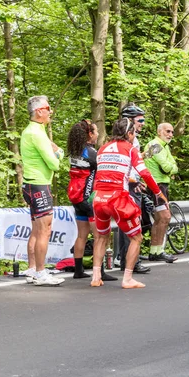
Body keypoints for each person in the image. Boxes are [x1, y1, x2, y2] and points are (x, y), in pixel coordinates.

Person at [91, 118, 167, 288]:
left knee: (101, 237)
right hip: (118, 199)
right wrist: (158, 193)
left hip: (98, 198)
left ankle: (96, 277)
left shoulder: (102, 148)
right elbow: (145, 173)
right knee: (136, 237)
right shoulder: (130, 149)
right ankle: (127, 279)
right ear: (129, 133)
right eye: (134, 132)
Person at [20, 95, 65, 286]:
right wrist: (59, 152)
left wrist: (56, 151)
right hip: (39, 185)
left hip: (31, 183)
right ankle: (40, 272)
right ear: (39, 111)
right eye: (47, 108)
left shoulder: (33, 130)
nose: (50, 111)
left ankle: (32, 269)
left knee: (36, 230)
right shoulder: (37, 133)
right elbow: (54, 163)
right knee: (44, 231)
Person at [67, 120, 117, 281]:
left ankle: (78, 270)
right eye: (95, 132)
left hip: (76, 196)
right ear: (89, 134)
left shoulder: (75, 151)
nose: (97, 135)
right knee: (100, 236)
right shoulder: (91, 153)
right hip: (89, 199)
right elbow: (106, 169)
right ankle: (100, 271)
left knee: (82, 235)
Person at [116, 104, 150, 273]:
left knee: (126, 224)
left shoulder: (128, 138)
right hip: (129, 184)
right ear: (130, 120)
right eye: (140, 120)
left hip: (130, 182)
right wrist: (135, 181)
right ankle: (131, 262)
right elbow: (126, 165)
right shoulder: (131, 139)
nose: (143, 123)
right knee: (132, 223)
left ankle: (125, 260)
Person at [143, 123, 178, 262]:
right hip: (155, 185)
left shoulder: (165, 146)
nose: (170, 134)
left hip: (162, 185)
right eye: (167, 131)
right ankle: (158, 251)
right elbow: (166, 166)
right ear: (159, 132)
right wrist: (172, 168)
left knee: (159, 219)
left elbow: (174, 165)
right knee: (165, 217)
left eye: (172, 132)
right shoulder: (155, 146)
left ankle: (155, 251)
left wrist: (172, 167)